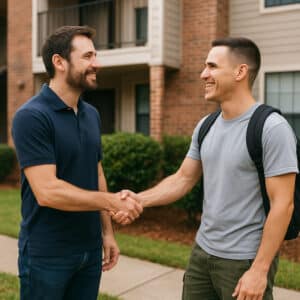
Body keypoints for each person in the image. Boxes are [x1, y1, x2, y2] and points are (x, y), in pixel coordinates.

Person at [114, 37, 298, 300]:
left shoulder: (271, 128)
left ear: (240, 72)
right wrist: (138, 199)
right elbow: (183, 179)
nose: (203, 74)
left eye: (212, 66)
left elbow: (283, 204)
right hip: (202, 253)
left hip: (244, 260)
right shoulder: (206, 125)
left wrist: (259, 269)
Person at [11, 25, 142, 300]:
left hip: (89, 250)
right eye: (88, 57)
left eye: (95, 56)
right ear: (59, 62)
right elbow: (47, 192)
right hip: (48, 253)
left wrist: (107, 232)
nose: (97, 64)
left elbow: (96, 171)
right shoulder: (32, 116)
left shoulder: (90, 113)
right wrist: (111, 201)